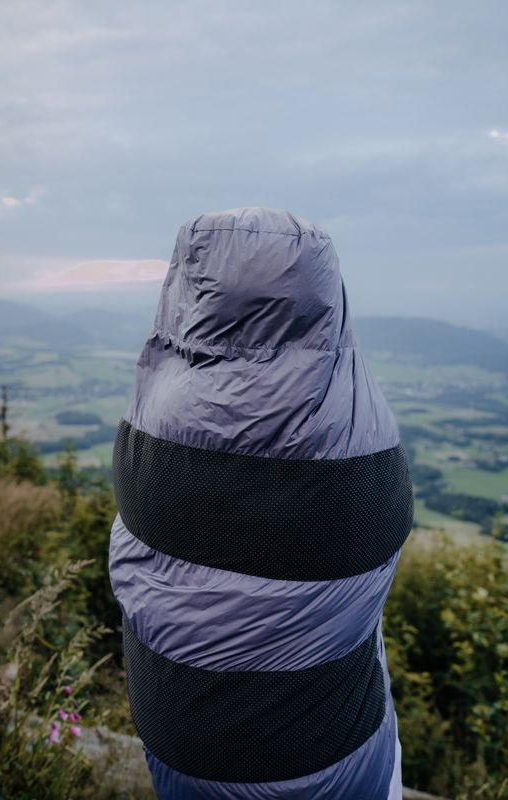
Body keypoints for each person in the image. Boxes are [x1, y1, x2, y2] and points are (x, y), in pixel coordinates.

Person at [109, 206, 414, 799]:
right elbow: (378, 544)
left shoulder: (148, 435)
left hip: (182, 745)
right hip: (334, 756)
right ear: (326, 296)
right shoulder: (360, 452)